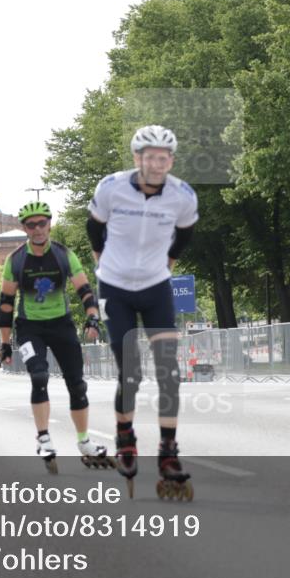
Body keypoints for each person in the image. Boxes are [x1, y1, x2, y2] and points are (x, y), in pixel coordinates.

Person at [86, 124, 197, 500]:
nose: (156, 163)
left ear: (171, 160)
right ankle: (125, 438)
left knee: (169, 371)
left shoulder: (182, 196)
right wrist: (101, 259)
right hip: (114, 288)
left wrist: (169, 260)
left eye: (163, 157)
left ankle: (168, 452)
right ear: (137, 158)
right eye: (149, 157)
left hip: (155, 287)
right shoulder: (111, 187)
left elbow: (186, 232)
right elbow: (94, 226)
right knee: (130, 369)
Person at [0, 200, 112, 474]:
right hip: (29, 327)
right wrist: (4, 343)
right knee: (39, 376)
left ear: (50, 223)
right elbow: (5, 304)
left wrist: (92, 317)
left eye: (42, 223)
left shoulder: (63, 255)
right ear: (24, 228)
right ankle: (44, 438)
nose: (37, 229)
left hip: (61, 324)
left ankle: (84, 442)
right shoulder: (15, 260)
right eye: (31, 225)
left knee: (77, 384)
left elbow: (84, 289)